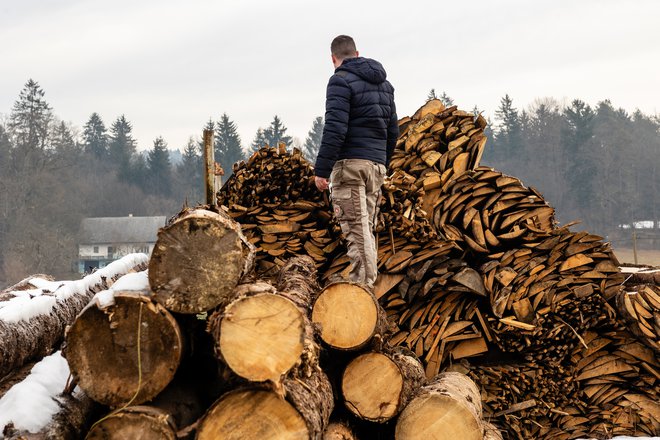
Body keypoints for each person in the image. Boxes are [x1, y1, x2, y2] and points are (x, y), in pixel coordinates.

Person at [314, 35, 399, 290]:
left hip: (350, 165)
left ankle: (362, 287)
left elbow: (335, 129)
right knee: (366, 228)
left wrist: (321, 170)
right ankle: (366, 286)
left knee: (356, 229)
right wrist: (383, 162)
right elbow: (392, 130)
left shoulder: (339, 81)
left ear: (333, 59)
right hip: (375, 166)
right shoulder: (384, 84)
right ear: (357, 53)